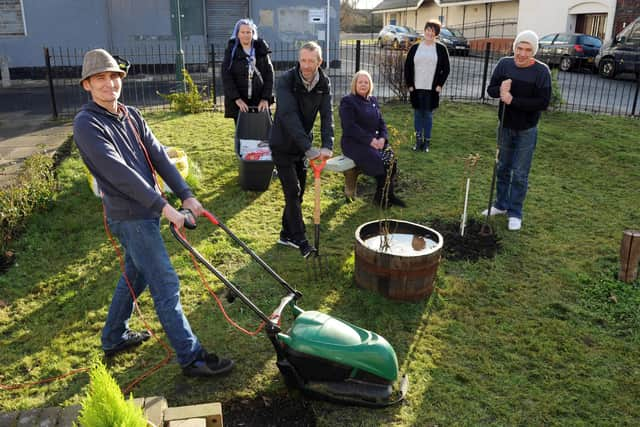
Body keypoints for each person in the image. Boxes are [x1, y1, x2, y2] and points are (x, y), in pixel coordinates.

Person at [73, 49, 234, 377]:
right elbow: (119, 173)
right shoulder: (87, 124)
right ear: (87, 84)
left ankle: (113, 336)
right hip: (129, 217)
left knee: (136, 274)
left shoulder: (131, 115)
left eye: (114, 77)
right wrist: (165, 208)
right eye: (100, 78)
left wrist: (187, 195)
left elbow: (160, 157)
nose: (109, 84)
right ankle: (192, 358)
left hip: (146, 212)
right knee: (165, 282)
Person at [269, 41, 334, 258]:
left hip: (303, 147)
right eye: (303, 60)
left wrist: (327, 144)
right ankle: (301, 240)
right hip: (282, 144)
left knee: (299, 194)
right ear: (299, 59)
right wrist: (309, 148)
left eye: (311, 61)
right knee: (292, 191)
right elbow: (289, 116)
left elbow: (327, 116)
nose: (306, 65)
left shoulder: (324, 83)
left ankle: (286, 234)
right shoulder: (286, 81)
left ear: (319, 62)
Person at [484, 30, 551, 231]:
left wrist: (513, 100)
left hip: (527, 129)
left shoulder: (541, 72)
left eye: (527, 50)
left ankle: (515, 212)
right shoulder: (505, 64)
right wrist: (500, 90)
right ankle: (500, 205)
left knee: (520, 173)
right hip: (504, 125)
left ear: (534, 51)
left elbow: (543, 102)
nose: (522, 54)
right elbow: (491, 90)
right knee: (503, 167)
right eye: (519, 48)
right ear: (514, 47)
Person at [339, 70, 406, 208]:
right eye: (360, 82)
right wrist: (370, 140)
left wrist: (382, 138)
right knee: (378, 161)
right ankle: (382, 198)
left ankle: (387, 195)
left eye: (366, 82)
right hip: (354, 143)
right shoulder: (348, 101)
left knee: (391, 158)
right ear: (355, 84)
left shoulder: (373, 100)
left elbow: (381, 123)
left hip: (375, 142)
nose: (363, 85)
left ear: (370, 85)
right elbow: (349, 127)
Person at [404, 19, 450, 152]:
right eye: (428, 30)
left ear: (436, 34)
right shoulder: (415, 48)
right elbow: (407, 67)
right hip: (416, 88)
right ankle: (418, 141)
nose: (430, 33)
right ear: (424, 31)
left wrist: (440, 84)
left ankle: (427, 142)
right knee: (418, 114)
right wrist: (410, 84)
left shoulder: (441, 49)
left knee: (428, 115)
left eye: (433, 31)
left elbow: (446, 69)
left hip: (432, 89)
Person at [222, 18, 274, 123]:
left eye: (248, 32)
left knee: (264, 134)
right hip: (241, 102)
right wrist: (237, 99)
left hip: (259, 100)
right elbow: (226, 76)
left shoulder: (261, 49)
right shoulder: (231, 51)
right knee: (243, 135)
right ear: (237, 34)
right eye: (243, 32)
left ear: (253, 33)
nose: (246, 35)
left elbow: (269, 74)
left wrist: (265, 98)